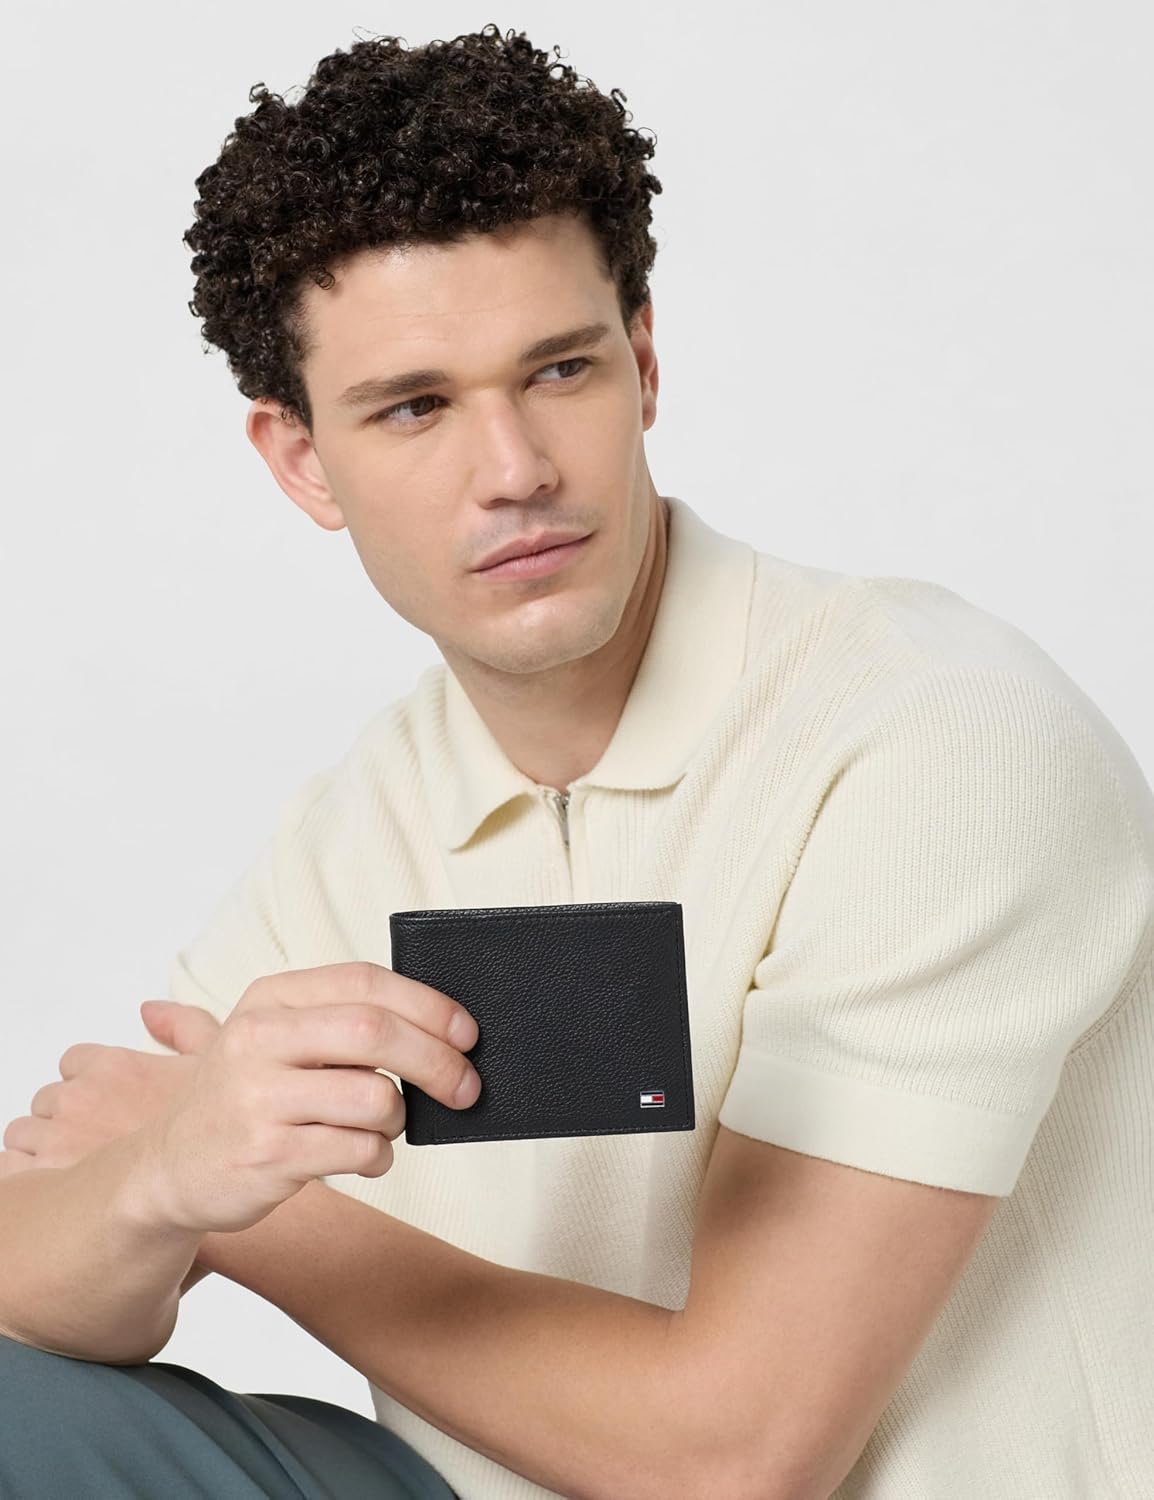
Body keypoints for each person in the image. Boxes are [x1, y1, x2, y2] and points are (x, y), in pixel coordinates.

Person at [1, 22, 1151, 1500]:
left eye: (558, 371)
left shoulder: (937, 741)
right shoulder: (367, 819)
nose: (515, 470)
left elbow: (737, 1456)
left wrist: (250, 1216)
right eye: (414, 407)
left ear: (643, 363)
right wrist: (159, 1183)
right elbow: (38, 1272)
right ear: (300, 461)